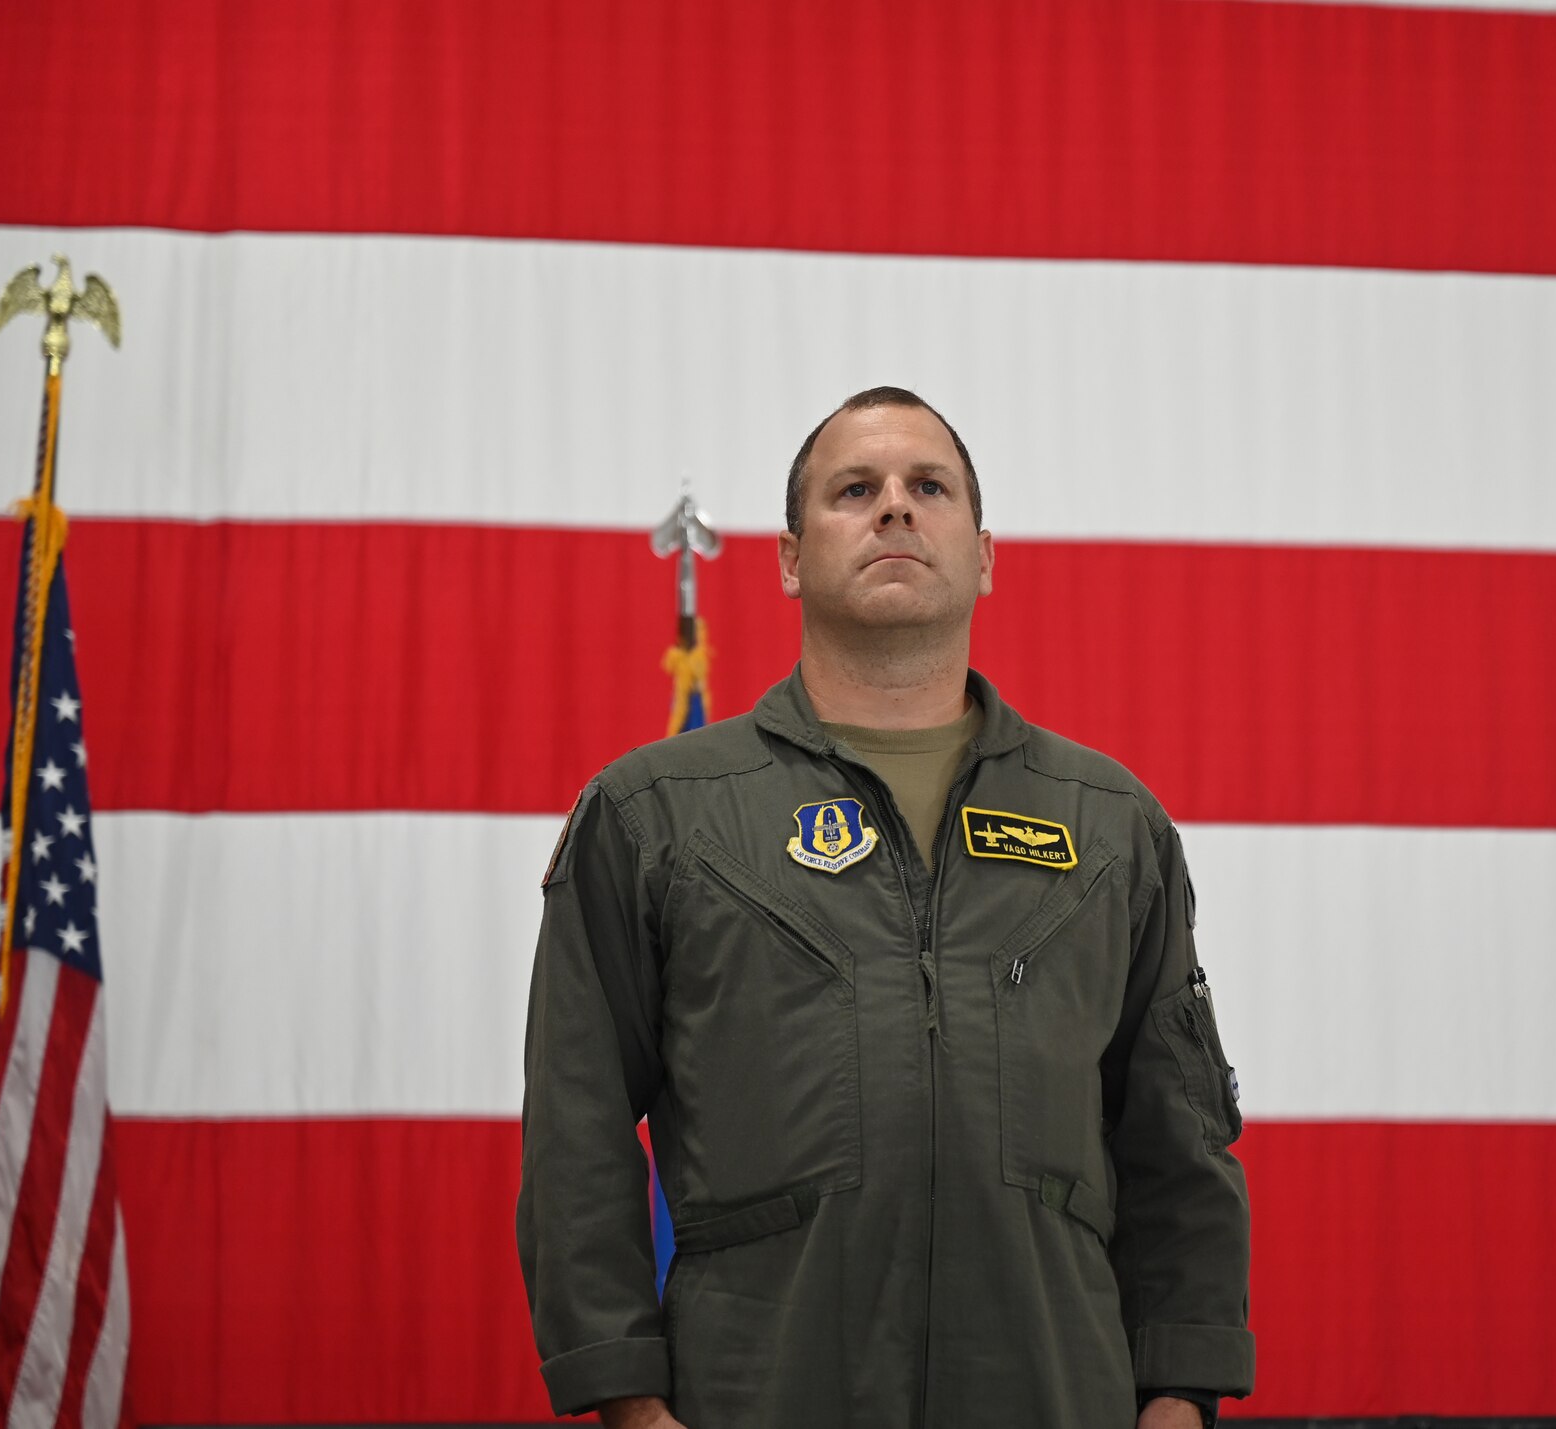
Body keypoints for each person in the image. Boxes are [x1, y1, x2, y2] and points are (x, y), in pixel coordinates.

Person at [517, 388, 1252, 1428]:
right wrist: (628, 1401)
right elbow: (575, 1134)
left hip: (1053, 1388)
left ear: (984, 554)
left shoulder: (1110, 825)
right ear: (788, 557)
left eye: (928, 487)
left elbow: (1176, 1145)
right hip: (754, 1391)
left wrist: (1178, 1397)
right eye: (854, 489)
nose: (894, 509)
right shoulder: (655, 816)